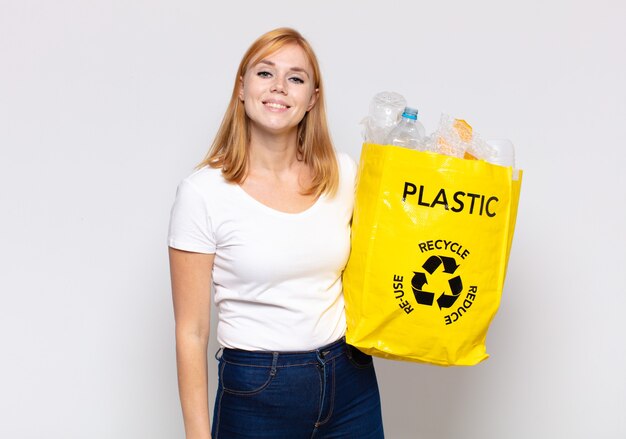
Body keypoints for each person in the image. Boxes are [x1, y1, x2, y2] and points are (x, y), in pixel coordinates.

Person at [168, 28, 384, 438]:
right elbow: (191, 332)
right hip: (258, 392)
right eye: (265, 73)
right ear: (242, 89)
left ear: (312, 100)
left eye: (296, 78)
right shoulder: (203, 193)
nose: (279, 87)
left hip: (350, 380)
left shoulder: (343, 174)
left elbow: (391, 250)